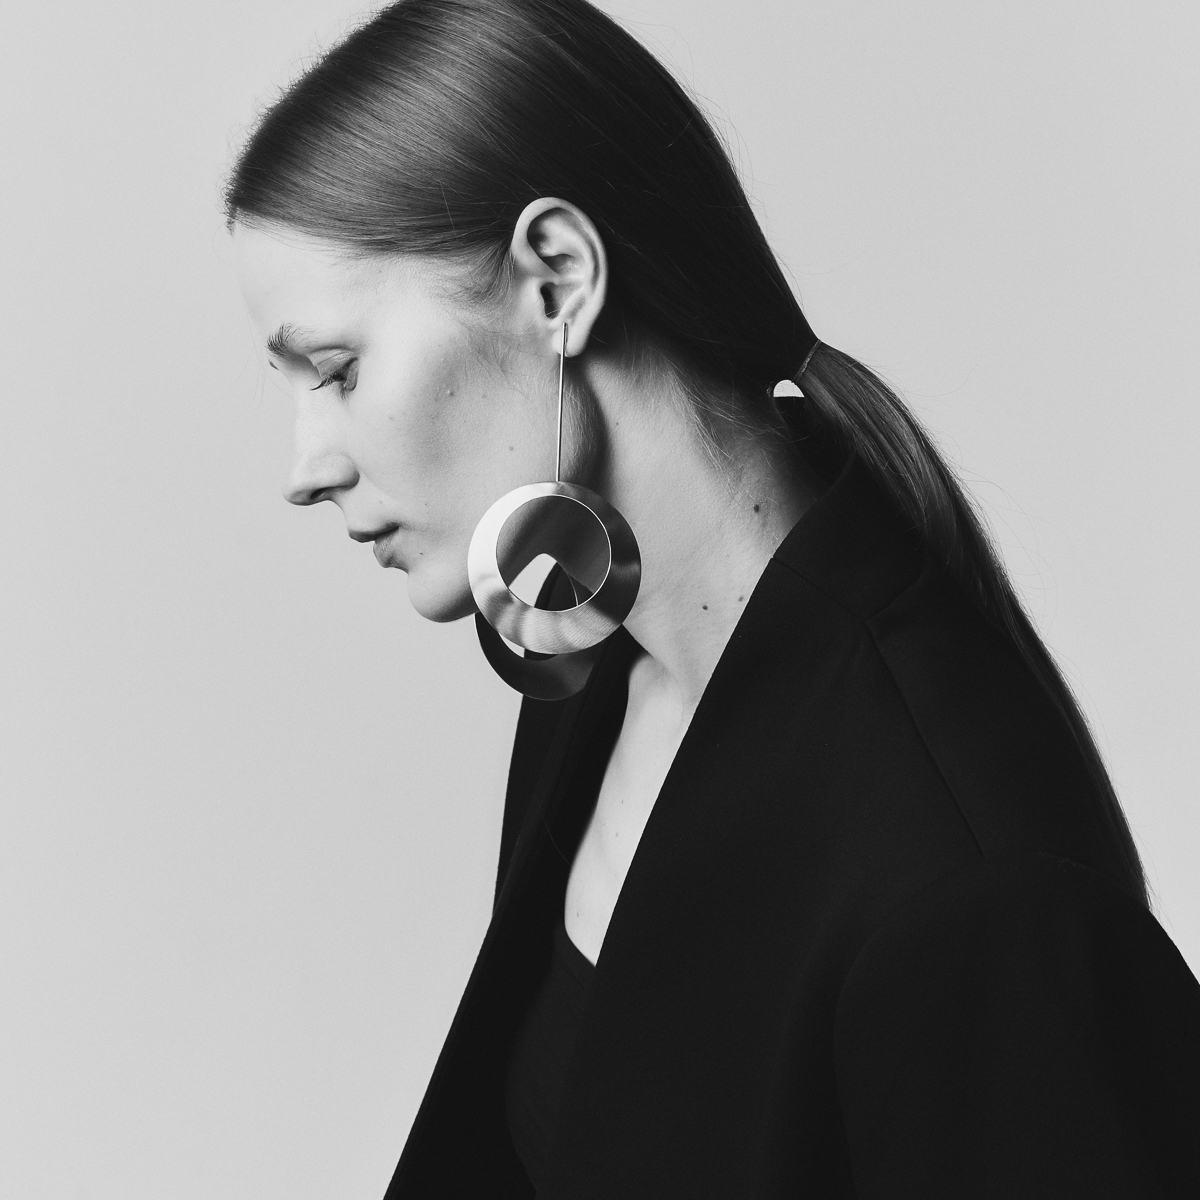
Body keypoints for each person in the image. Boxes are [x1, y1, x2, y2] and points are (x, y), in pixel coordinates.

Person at [227, 0, 1200, 1194]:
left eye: (336, 372)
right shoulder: (596, 657)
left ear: (557, 281)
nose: (305, 467)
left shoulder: (965, 878)